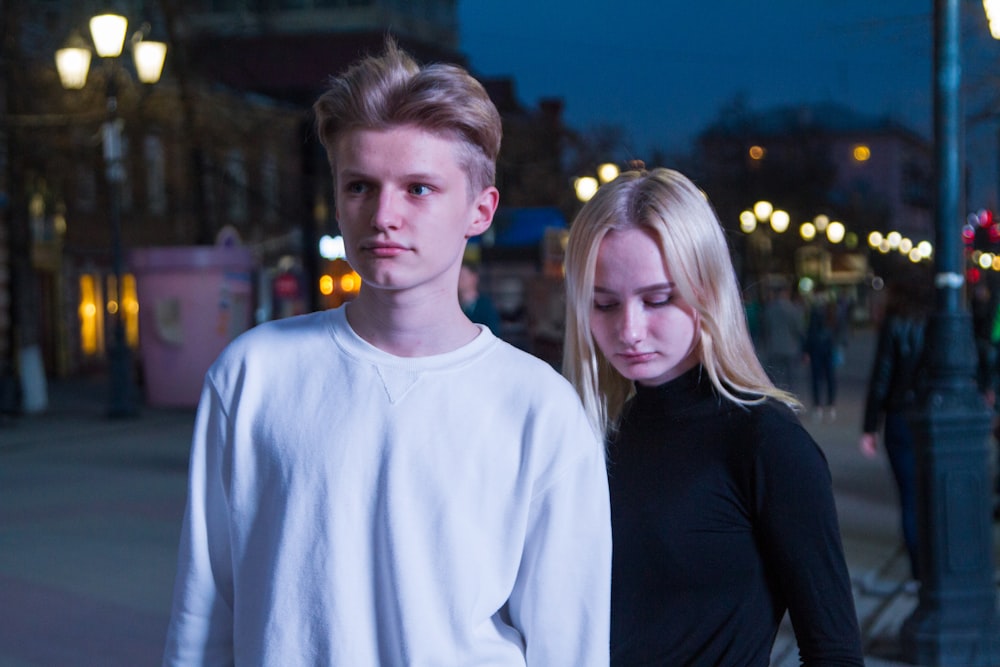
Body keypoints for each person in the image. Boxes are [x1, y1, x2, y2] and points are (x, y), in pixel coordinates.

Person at [162, 39, 612, 666]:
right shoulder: (252, 374)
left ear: (479, 210)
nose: (383, 215)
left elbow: (569, 644)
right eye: (360, 186)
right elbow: (204, 610)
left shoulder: (539, 408)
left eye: (419, 188)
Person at [561, 167, 864, 666]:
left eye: (658, 299)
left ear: (707, 289)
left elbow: (834, 650)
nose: (629, 330)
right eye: (604, 304)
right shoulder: (591, 434)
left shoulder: (766, 442)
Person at [860, 276, 933, 582]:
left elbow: (882, 376)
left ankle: (919, 569)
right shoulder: (935, 321)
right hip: (931, 417)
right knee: (932, 493)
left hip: (901, 420)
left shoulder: (895, 323)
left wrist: (869, 426)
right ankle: (932, 563)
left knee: (910, 497)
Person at [803, 290, 845, 421]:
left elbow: (810, 332)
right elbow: (840, 332)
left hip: (816, 349)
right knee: (830, 378)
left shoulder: (815, 313)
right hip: (830, 349)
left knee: (816, 378)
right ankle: (831, 406)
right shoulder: (835, 313)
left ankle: (817, 407)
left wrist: (806, 351)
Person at [758, 280, 804, 393]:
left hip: (774, 347)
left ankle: (777, 398)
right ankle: (791, 399)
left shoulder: (769, 309)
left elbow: (765, 329)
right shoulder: (793, 310)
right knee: (791, 378)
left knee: (776, 377)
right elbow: (798, 329)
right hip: (790, 348)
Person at [458, 261, 502, 335]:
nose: (459, 280)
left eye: (463, 276)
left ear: (474, 278)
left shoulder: (486, 306)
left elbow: (493, 334)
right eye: (458, 276)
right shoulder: (455, 305)